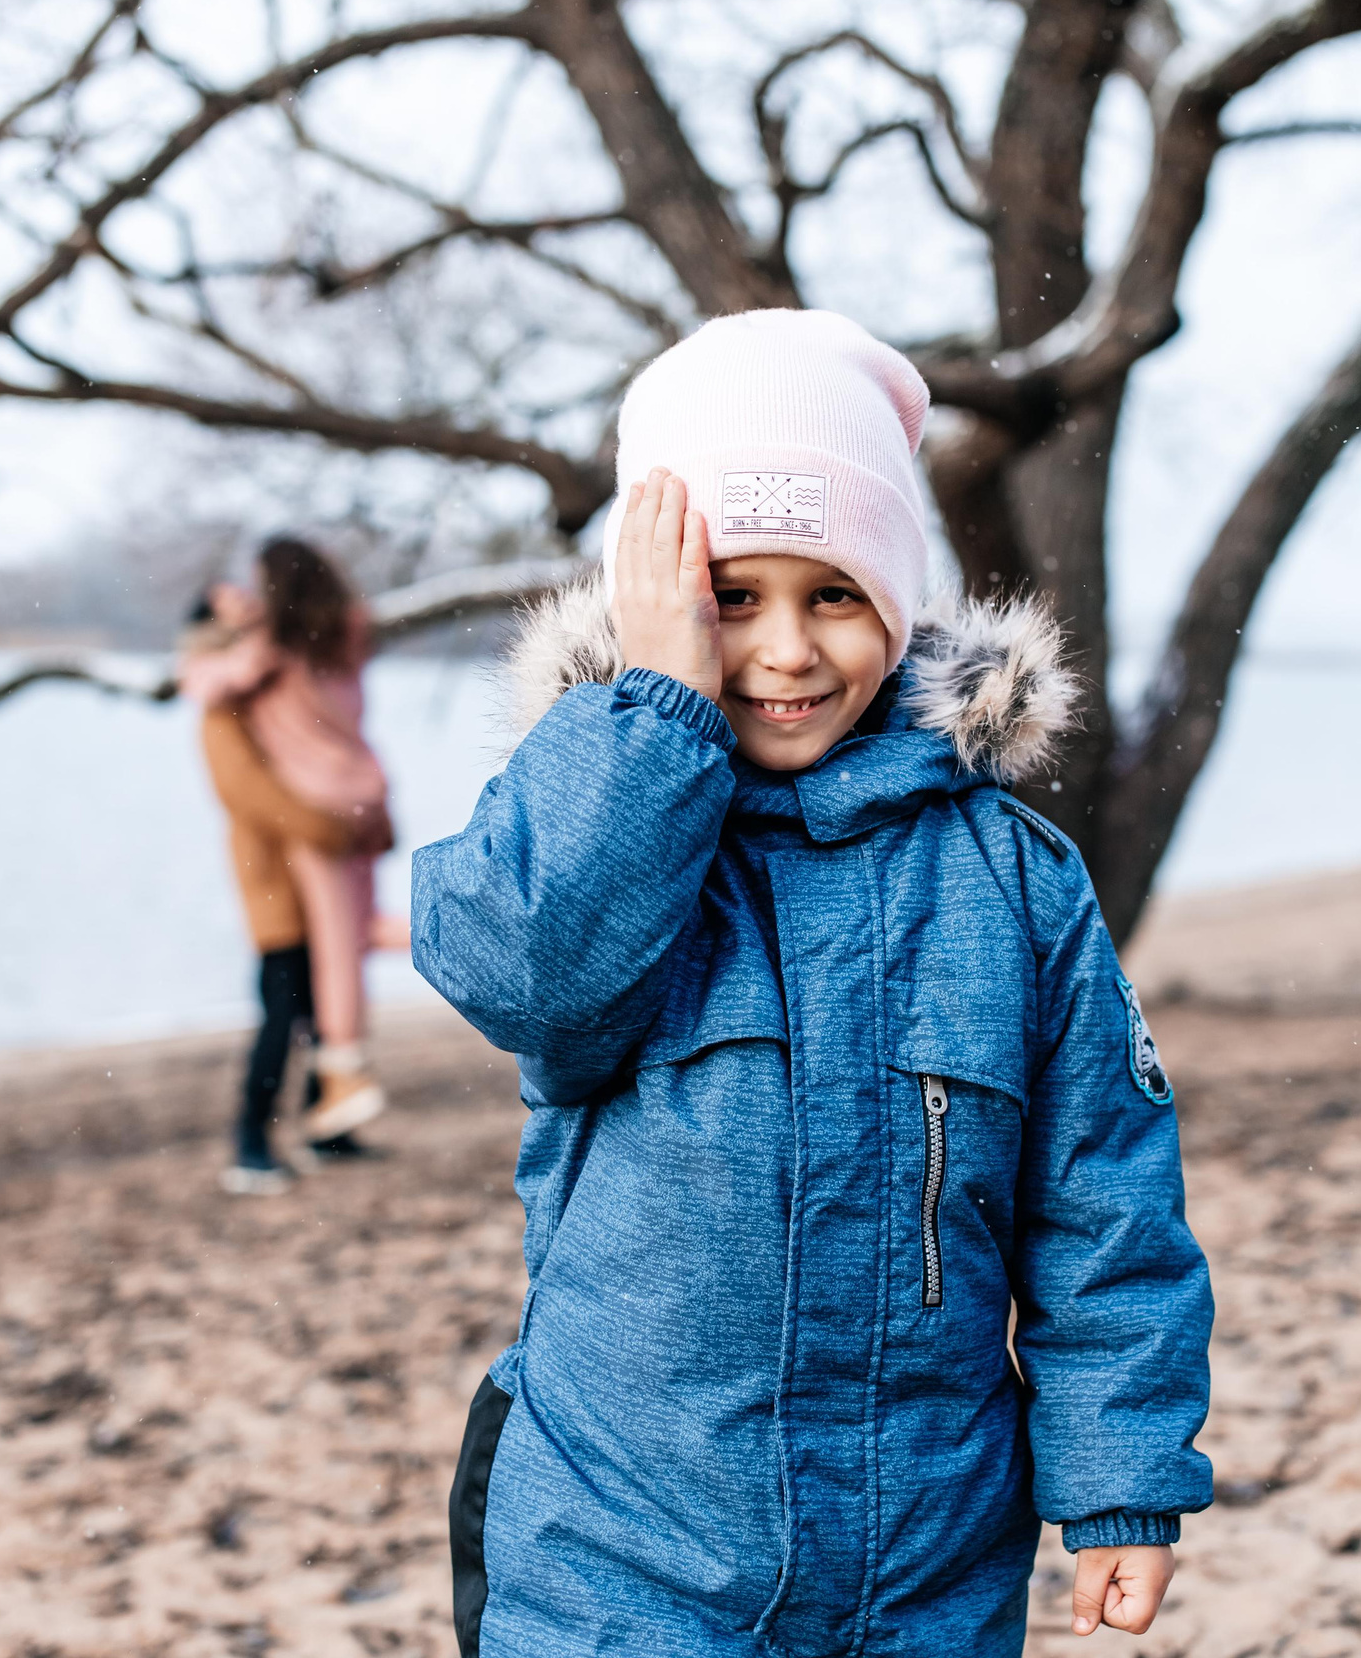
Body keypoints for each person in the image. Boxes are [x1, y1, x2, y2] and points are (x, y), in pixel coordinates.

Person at [412, 310, 1213, 1657]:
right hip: (621, 1559)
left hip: (921, 1565)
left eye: (832, 594)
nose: (785, 650)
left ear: (895, 607)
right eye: (732, 599)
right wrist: (660, 706)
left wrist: (1121, 1477)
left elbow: (1101, 1195)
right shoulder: (604, 830)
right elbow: (520, 969)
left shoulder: (1008, 876)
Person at [181, 551, 395, 1193]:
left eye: (250, 591)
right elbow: (245, 792)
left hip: (310, 852)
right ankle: (251, 1143)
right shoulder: (227, 702)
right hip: (274, 871)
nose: (247, 599)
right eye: (231, 599)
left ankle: (326, 1129)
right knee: (284, 1004)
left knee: (319, 985)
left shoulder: (278, 665)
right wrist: (327, 826)